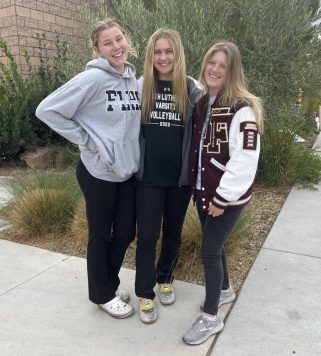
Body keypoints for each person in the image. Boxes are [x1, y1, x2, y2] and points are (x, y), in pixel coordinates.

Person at [35, 18, 140, 319]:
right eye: (108, 43)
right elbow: (46, 110)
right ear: (97, 49)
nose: (116, 46)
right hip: (98, 173)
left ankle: (107, 283)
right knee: (101, 235)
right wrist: (87, 140)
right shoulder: (91, 79)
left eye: (119, 39)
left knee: (125, 233)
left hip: (126, 172)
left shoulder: (132, 79)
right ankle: (102, 294)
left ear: (126, 40)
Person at [182, 41, 263, 344]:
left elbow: (245, 159)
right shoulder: (204, 101)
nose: (214, 69)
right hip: (204, 191)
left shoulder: (243, 109)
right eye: (211, 62)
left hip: (224, 198)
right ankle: (225, 290)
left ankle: (210, 317)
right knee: (213, 247)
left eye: (223, 65)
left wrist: (222, 198)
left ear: (233, 71)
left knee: (209, 252)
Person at [135, 28, 203, 324]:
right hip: (148, 178)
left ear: (178, 54)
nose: (163, 57)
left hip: (179, 180)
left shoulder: (191, 89)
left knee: (173, 232)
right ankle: (145, 293)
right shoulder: (140, 87)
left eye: (168, 51)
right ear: (151, 56)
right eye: (157, 52)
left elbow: (217, 107)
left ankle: (165, 278)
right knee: (147, 236)